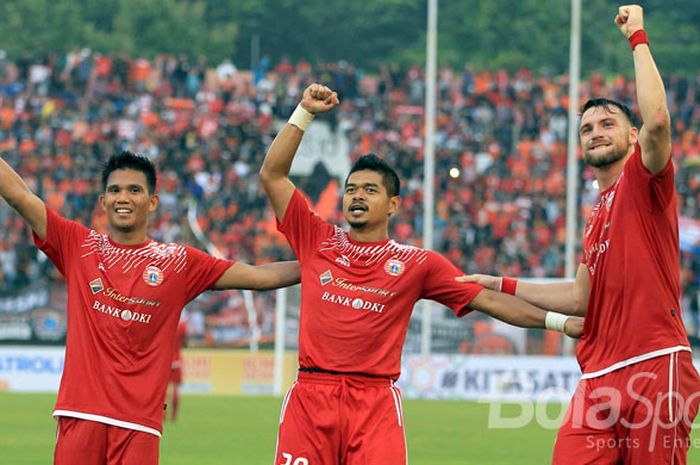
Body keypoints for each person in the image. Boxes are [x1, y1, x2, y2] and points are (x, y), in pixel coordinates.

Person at [259, 83, 584, 465]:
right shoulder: (317, 239)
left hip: (374, 402)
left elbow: (487, 299)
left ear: (393, 204)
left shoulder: (418, 264)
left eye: (369, 190)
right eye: (351, 189)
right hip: (312, 395)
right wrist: (304, 113)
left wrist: (560, 323)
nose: (357, 196)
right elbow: (273, 175)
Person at [459, 5, 700, 464]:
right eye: (586, 128)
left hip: (654, 362)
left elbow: (660, 122)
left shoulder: (645, 182)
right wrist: (498, 284)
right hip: (595, 377)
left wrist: (638, 38)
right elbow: (578, 298)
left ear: (632, 136)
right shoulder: (594, 216)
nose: (594, 132)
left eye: (607, 123)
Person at [0, 150, 300, 465]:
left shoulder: (179, 261)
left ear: (152, 202)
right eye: (114, 190)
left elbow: (257, 276)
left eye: (134, 190)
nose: (123, 198)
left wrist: (320, 261)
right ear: (103, 202)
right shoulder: (79, 245)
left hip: (138, 425)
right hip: (81, 414)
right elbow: (19, 195)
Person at [165, 319, 187, 422]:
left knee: (164, 391)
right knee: (175, 389)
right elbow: (185, 342)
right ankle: (174, 416)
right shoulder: (182, 325)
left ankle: (163, 413)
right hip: (177, 360)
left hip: (165, 360)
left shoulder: (166, 321)